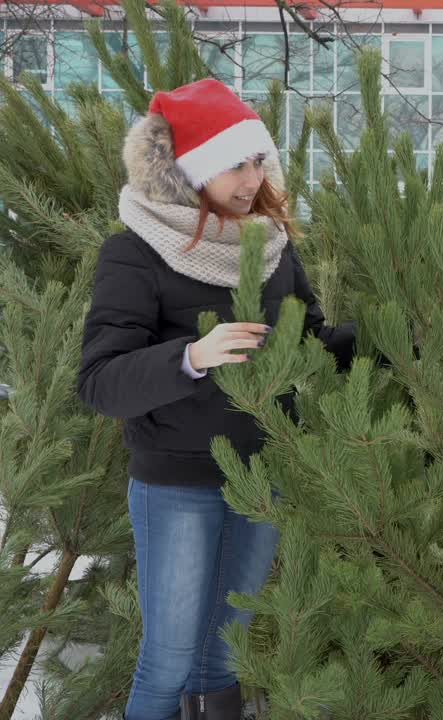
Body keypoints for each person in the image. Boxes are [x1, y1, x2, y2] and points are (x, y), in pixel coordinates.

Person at [77, 78, 354, 720]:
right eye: (235, 162)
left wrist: (401, 338)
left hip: (262, 479)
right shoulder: (136, 252)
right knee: (170, 660)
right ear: (191, 168)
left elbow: (311, 342)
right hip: (176, 484)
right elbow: (101, 380)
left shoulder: (272, 248)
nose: (253, 177)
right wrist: (190, 357)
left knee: (225, 656)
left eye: (258, 159)